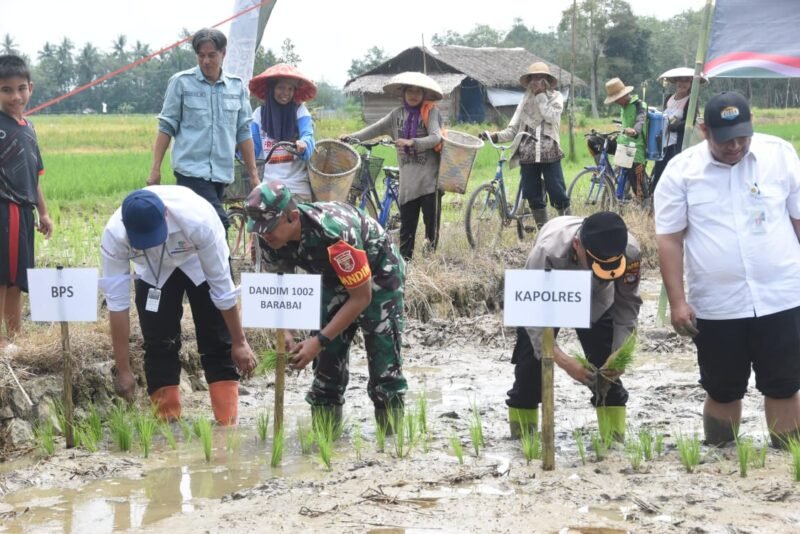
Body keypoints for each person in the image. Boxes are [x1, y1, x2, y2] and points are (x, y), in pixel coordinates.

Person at [655, 92, 800, 448]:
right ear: (705, 131)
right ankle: (720, 460)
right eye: (725, 139)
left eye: (742, 137)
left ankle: (786, 461)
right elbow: (669, 239)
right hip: (718, 305)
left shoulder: (779, 155)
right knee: (722, 388)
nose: (735, 146)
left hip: (781, 296)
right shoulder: (682, 171)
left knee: (784, 384)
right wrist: (677, 302)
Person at [245, 181, 406, 428]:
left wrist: (318, 340)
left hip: (378, 275)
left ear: (293, 217)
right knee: (325, 370)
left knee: (384, 365)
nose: (264, 234)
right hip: (331, 278)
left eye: (269, 228)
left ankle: (393, 442)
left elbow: (361, 298)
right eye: (259, 229)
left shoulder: (334, 234)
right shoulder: (269, 238)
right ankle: (325, 443)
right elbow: (280, 288)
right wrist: (286, 332)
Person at [99, 186, 257, 425]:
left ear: (165, 215)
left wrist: (240, 341)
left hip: (198, 260)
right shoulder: (114, 235)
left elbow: (222, 290)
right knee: (159, 341)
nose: (149, 244)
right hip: (154, 272)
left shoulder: (198, 220)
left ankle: (227, 425)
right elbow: (117, 304)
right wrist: (123, 369)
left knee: (216, 337)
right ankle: (168, 425)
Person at [506, 212, 642, 441]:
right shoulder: (548, 251)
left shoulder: (630, 251)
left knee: (607, 375)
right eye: (595, 262)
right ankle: (523, 444)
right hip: (549, 295)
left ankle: (613, 443)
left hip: (598, 300)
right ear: (577, 246)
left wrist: (620, 352)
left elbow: (627, 304)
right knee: (529, 372)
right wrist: (563, 360)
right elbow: (532, 314)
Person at [146, 28, 258, 230]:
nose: (206, 61)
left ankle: (189, 262)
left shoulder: (236, 87)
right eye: (201, 55)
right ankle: (223, 263)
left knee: (197, 230)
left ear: (223, 53)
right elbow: (166, 127)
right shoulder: (181, 83)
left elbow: (243, 132)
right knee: (218, 224)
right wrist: (155, 170)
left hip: (222, 174)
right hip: (191, 172)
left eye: (212, 55)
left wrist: (254, 175)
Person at [341, 71, 443, 261]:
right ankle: (405, 268)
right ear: (403, 93)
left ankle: (430, 265)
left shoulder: (431, 112)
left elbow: (436, 137)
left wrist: (412, 142)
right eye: (409, 91)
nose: (413, 95)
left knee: (431, 229)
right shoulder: (396, 115)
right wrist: (351, 138)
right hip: (408, 183)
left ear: (423, 94)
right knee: (407, 229)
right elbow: (375, 129)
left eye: (418, 91)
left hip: (430, 181)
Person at [0, 54, 53, 345]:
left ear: (30, 88)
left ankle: (15, 337)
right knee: (1, 277)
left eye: (21, 88)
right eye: (6, 90)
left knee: (18, 279)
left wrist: (43, 213)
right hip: (4, 211)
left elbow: (35, 176)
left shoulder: (28, 128)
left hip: (24, 212)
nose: (15, 96)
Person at [485, 62, 570, 228]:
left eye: (540, 78)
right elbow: (513, 130)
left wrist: (540, 96)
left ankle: (568, 226)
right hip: (527, 153)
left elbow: (551, 117)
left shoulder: (555, 98)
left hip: (549, 152)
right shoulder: (523, 102)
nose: (536, 82)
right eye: (533, 78)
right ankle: (542, 229)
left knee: (557, 191)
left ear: (547, 81)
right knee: (532, 193)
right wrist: (495, 136)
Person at [248, 63, 317, 202]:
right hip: (269, 187)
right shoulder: (258, 115)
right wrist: (237, 147)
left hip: (297, 187)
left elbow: (308, 136)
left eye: (290, 89)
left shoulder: (300, 111)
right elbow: (252, 149)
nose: (285, 93)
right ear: (271, 89)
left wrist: (303, 143)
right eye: (281, 87)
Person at [651, 68, 705, 189]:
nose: (683, 83)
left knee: (673, 173)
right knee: (659, 171)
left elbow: (690, 122)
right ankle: (655, 199)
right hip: (663, 141)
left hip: (677, 144)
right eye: (680, 80)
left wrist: (673, 126)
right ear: (676, 82)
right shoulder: (669, 98)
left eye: (686, 81)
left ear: (691, 83)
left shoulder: (691, 100)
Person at [604, 77, 648, 200]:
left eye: (617, 99)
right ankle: (610, 180)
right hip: (624, 146)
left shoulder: (639, 104)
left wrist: (634, 130)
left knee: (638, 186)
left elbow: (641, 119)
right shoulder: (623, 107)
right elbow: (624, 126)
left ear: (624, 94)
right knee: (595, 142)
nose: (616, 102)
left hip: (636, 149)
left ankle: (646, 209)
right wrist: (618, 134)